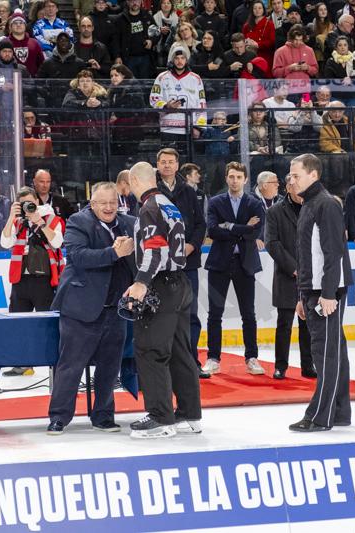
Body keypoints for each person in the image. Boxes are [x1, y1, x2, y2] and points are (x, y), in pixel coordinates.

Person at [47, 182, 136, 435]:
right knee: (70, 366)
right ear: (92, 203)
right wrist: (113, 253)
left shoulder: (128, 223)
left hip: (116, 309)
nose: (109, 208)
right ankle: (59, 417)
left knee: (110, 366)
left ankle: (104, 415)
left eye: (113, 202)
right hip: (81, 308)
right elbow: (78, 257)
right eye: (103, 203)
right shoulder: (78, 221)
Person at [125, 161, 202, 439]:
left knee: (150, 350)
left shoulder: (149, 207)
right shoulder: (169, 204)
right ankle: (189, 413)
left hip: (160, 285)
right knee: (181, 350)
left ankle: (160, 417)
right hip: (180, 282)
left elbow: (155, 252)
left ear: (134, 180)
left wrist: (140, 282)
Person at [288, 153, 352, 431]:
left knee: (325, 353)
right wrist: (302, 295)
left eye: (296, 175)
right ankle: (338, 411)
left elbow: (333, 253)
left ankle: (320, 417)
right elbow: (307, 256)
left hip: (325, 292)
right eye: (290, 176)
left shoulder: (325, 204)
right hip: (313, 290)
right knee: (333, 350)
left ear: (313, 175)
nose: (291, 180)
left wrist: (327, 294)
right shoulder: (310, 203)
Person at [202, 162, 266, 377]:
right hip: (219, 263)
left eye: (239, 177)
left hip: (244, 263)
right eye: (231, 176)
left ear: (245, 179)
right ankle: (213, 358)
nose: (235, 180)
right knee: (215, 314)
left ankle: (252, 357)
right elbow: (212, 230)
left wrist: (228, 226)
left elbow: (254, 233)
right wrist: (242, 227)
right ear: (226, 178)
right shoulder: (216, 202)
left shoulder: (255, 203)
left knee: (249, 313)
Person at [0, 186, 65, 377]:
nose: (28, 206)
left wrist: (39, 222)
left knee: (49, 324)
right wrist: (11, 217)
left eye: (30, 202)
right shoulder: (18, 222)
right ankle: (22, 364)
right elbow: (5, 242)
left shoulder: (52, 218)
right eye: (23, 204)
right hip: (20, 279)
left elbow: (58, 242)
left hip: (45, 279)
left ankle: (56, 364)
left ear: (37, 201)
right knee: (18, 322)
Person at [155, 148, 206, 370]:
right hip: (161, 265)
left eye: (170, 162)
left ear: (177, 165)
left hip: (188, 264)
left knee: (190, 314)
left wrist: (192, 245)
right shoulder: (151, 191)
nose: (167, 165)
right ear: (157, 165)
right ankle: (164, 363)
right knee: (162, 315)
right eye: (163, 162)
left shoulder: (189, 191)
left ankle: (190, 361)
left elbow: (200, 224)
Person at [265, 173, 314, 380]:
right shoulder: (275, 211)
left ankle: (308, 365)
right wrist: (293, 267)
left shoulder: (313, 208)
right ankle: (280, 366)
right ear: (288, 186)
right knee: (284, 324)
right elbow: (272, 243)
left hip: (310, 276)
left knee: (308, 324)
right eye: (294, 184)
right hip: (287, 276)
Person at [149, 45, 208, 151]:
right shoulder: (162, 77)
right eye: (176, 58)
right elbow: (154, 99)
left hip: (189, 128)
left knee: (187, 163)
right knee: (168, 160)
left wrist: (199, 127)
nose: (179, 61)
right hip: (167, 128)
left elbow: (202, 105)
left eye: (182, 58)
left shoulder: (196, 79)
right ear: (172, 60)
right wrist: (166, 106)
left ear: (186, 60)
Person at [115, 0, 157, 79]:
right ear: (127, 2)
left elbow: (156, 33)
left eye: (137, 0)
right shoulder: (120, 19)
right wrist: (117, 56)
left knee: (145, 86)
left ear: (141, 1)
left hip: (145, 58)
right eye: (132, 1)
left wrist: (151, 41)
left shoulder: (147, 16)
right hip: (128, 59)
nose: (135, 3)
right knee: (130, 86)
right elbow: (115, 40)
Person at [2, 11, 45, 76]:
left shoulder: (34, 43)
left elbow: (42, 64)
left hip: (32, 82)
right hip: (10, 82)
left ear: (25, 26)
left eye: (21, 22)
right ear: (10, 27)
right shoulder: (4, 42)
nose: (18, 25)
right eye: (15, 23)